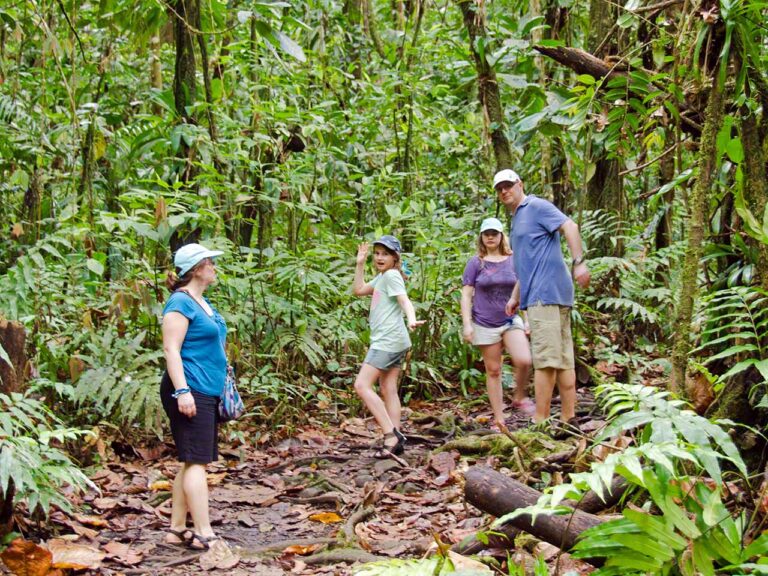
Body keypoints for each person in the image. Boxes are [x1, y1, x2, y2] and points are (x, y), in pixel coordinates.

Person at [494, 169, 591, 427]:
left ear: (520, 185)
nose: (504, 191)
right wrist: (516, 295)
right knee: (561, 358)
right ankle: (569, 418)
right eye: (499, 188)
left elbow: (570, 226)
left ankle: (541, 420)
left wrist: (578, 262)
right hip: (543, 292)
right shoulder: (517, 220)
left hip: (545, 294)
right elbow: (528, 264)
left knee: (547, 359)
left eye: (508, 186)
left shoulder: (534, 206)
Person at [160, 242, 229, 551]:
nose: (214, 267)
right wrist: (183, 391)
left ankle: (176, 529)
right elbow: (171, 349)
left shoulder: (202, 302)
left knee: (191, 461)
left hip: (206, 388)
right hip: (191, 389)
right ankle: (203, 532)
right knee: (198, 462)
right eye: (210, 262)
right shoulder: (180, 303)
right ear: (198, 268)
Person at [352, 235, 424, 458]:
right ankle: (396, 438)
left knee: (362, 385)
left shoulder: (392, 276)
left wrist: (411, 318)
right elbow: (359, 289)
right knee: (388, 388)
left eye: (386, 254)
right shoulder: (383, 277)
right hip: (395, 341)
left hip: (388, 341)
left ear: (395, 258)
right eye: (378, 253)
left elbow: (404, 300)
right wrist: (360, 264)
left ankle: (390, 435)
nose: (380, 258)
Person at [460, 217, 534, 430]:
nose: (491, 237)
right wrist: (467, 324)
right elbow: (466, 295)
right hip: (484, 322)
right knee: (493, 370)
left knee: (524, 360)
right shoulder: (476, 263)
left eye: (494, 233)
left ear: (501, 236)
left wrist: (527, 320)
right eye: (487, 234)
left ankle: (519, 395)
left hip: (510, 319)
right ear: (482, 237)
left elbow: (523, 289)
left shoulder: (513, 259)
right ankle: (499, 419)